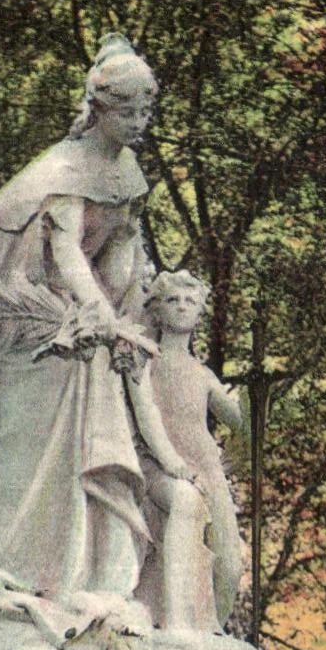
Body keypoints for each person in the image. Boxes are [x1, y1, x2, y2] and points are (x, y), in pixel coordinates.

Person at [0, 34, 196, 650]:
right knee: (78, 384)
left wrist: (127, 310)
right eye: (130, 112)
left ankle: (91, 578)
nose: (140, 124)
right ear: (100, 108)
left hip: (78, 322)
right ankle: (31, 578)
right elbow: (64, 257)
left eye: (147, 111)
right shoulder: (60, 171)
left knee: (102, 377)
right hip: (22, 329)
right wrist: (102, 322)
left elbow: (116, 252)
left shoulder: (124, 172)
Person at [136, 270, 246, 630]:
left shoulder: (203, 374)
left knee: (229, 564)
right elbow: (145, 416)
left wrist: (257, 395)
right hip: (161, 468)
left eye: (190, 301)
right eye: (172, 300)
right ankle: (180, 625)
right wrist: (168, 460)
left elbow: (241, 421)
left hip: (208, 469)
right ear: (156, 310)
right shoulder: (145, 362)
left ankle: (215, 633)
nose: (182, 307)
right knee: (180, 542)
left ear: (200, 312)